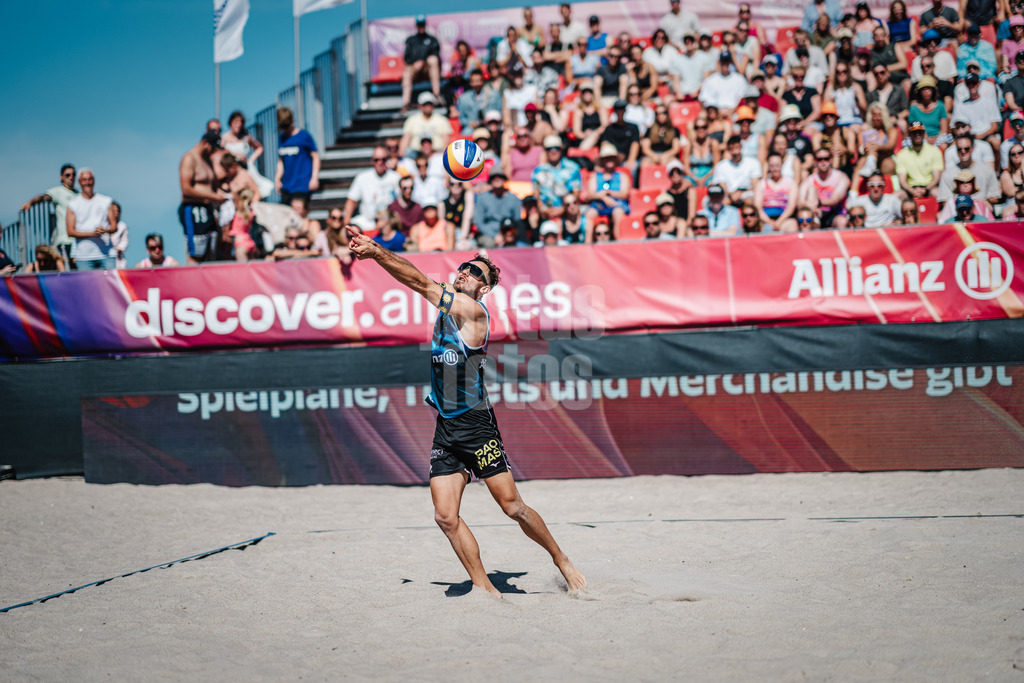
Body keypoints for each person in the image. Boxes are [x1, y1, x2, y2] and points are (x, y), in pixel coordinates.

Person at [344, 238, 588, 596]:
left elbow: (418, 282)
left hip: (476, 426)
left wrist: (377, 251)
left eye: (475, 272)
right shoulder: (448, 305)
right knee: (445, 516)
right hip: (446, 426)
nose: (465, 272)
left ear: (484, 288)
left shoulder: (474, 313)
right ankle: (484, 588)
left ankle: (561, 559)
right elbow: (417, 280)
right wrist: (381, 255)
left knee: (512, 506)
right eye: (464, 267)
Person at [178, 132, 226, 263]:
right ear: (205, 143)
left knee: (211, 252)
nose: (213, 152)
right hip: (193, 209)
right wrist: (212, 197)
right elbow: (186, 189)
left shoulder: (207, 160)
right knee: (196, 253)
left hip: (208, 209)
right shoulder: (189, 158)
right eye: (212, 148)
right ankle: (191, 282)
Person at [20, 163, 78, 268]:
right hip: (65, 239)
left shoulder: (79, 194)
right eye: (68, 175)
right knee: (68, 271)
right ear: (61, 177)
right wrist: (31, 202)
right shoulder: (58, 192)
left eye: (73, 175)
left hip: (78, 238)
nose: (71, 177)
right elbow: (43, 197)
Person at [65, 168, 116, 270]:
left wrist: (104, 230)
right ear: (79, 183)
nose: (87, 183)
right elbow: (70, 232)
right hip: (84, 256)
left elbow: (114, 227)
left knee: (109, 285)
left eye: (90, 179)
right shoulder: (73, 205)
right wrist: (92, 233)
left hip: (106, 255)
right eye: (84, 180)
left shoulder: (106, 201)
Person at [344, 146, 400, 233]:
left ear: (387, 160)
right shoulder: (362, 177)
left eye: (383, 159)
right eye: (376, 160)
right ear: (372, 161)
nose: (380, 162)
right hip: (367, 223)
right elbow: (351, 200)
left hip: (389, 224)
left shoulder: (395, 177)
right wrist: (346, 221)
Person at [221, 111, 273, 198]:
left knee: (253, 192)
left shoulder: (245, 137)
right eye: (236, 121)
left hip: (246, 169)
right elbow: (220, 153)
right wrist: (235, 155)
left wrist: (251, 159)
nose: (239, 124)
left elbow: (259, 147)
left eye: (241, 122)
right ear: (231, 122)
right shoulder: (224, 137)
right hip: (231, 171)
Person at [938, 137, 1001, 209]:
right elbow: (944, 201)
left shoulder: (987, 169)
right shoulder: (948, 173)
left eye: (966, 149)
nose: (963, 151)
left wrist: (980, 203)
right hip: (957, 211)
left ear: (972, 149)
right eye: (959, 149)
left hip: (981, 210)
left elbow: (995, 197)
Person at [275, 107, 320, 206]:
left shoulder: (304, 136)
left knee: (298, 213)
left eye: (286, 126)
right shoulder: (282, 139)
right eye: (282, 127)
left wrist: (314, 177)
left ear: (292, 121)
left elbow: (315, 156)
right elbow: (281, 161)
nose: (285, 129)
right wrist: (277, 179)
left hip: (302, 184)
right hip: (287, 185)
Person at [951, 73, 1002, 158]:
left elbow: (994, 127)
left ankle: (996, 170)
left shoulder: (989, 102)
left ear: (978, 83)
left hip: (986, 135)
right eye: (969, 83)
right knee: (952, 146)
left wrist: (979, 136)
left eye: (973, 83)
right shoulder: (960, 105)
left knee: (995, 143)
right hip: (966, 136)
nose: (971, 86)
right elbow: (954, 127)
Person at [585, 142, 632, 233]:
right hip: (598, 205)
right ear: (602, 161)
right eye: (607, 158)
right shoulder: (595, 177)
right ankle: (588, 242)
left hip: (617, 204)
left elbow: (624, 194)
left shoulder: (623, 176)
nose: (609, 160)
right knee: (589, 214)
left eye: (611, 158)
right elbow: (590, 195)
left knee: (618, 212)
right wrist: (604, 197)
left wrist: (606, 192)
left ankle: (618, 241)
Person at [799, 148, 851, 228]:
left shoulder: (841, 177)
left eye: (826, 159)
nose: (823, 162)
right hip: (815, 214)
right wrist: (811, 207)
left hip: (834, 214)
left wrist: (818, 203)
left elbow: (835, 200)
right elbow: (800, 201)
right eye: (820, 159)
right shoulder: (810, 180)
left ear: (830, 160)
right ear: (815, 162)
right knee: (811, 189)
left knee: (842, 221)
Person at [532, 136, 582, 219]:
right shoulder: (538, 171)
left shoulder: (572, 168)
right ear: (545, 151)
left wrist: (563, 209)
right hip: (545, 213)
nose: (553, 151)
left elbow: (576, 194)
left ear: (561, 149)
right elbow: (537, 196)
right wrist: (545, 210)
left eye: (556, 148)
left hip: (568, 212)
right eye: (549, 149)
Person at [401, 15, 442, 111]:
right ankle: (406, 104)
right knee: (406, 73)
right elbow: (406, 57)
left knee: (433, 60)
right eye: (419, 25)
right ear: (416, 26)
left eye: (422, 25)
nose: (421, 27)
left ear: (425, 25)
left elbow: (436, 54)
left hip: (428, 67)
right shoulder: (411, 40)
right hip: (413, 67)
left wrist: (423, 61)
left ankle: (436, 95)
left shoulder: (432, 39)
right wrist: (414, 63)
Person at [896, 120, 945, 198]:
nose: (917, 135)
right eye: (914, 133)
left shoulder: (935, 151)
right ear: (909, 135)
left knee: (939, 194)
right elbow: (902, 181)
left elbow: (936, 178)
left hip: (929, 188)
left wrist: (925, 189)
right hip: (910, 188)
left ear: (925, 134)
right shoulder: (902, 154)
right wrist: (912, 191)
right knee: (895, 196)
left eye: (920, 132)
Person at [474, 168, 522, 248]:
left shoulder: (514, 198)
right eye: (494, 177)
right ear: (490, 181)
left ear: (504, 179)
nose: (497, 179)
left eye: (500, 176)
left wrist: (507, 235)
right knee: (489, 243)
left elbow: (517, 221)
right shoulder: (482, 198)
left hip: (509, 232)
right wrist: (494, 235)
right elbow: (479, 223)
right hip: (489, 234)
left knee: (520, 244)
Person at [713, 135, 763, 206]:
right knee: (723, 202)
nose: (735, 152)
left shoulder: (753, 163)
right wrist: (731, 195)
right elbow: (722, 187)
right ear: (728, 150)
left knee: (749, 201)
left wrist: (741, 194)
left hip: (747, 193)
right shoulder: (721, 166)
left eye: (737, 148)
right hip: (729, 195)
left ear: (741, 147)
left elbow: (755, 185)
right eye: (731, 149)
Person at [399, 93, 452, 158]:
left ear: (433, 105)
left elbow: (446, 139)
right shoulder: (412, 120)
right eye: (425, 104)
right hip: (416, 153)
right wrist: (401, 153)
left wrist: (445, 155)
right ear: (420, 106)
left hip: (437, 152)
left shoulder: (442, 120)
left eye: (430, 104)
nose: (428, 107)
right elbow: (406, 138)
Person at [754, 153, 798, 231]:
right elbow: (758, 208)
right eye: (772, 166)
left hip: (783, 219)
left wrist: (779, 222)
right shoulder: (761, 184)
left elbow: (791, 207)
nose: (775, 169)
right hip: (765, 220)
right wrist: (769, 222)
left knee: (792, 224)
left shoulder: (791, 183)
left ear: (782, 165)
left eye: (777, 165)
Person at [699, 52, 749, 116]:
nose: (725, 64)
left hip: (735, 113)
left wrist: (731, 111)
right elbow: (703, 98)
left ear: (730, 63)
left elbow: (743, 98)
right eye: (723, 62)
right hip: (715, 113)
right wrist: (716, 112)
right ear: (719, 63)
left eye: (727, 61)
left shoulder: (739, 79)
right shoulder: (711, 80)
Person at [599, 100, 642, 172]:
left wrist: (631, 160)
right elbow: (605, 145)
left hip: (628, 160)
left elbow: (635, 144)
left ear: (625, 110)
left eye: (622, 109)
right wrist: (615, 158)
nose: (620, 111)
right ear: (614, 111)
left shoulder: (633, 127)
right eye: (618, 109)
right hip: (613, 160)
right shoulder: (609, 129)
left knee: (632, 168)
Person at [108, 201, 129, 269]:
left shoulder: (122, 226)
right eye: (114, 211)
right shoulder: (104, 225)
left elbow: (125, 241)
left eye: (118, 211)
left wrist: (118, 249)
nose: (116, 213)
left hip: (118, 259)